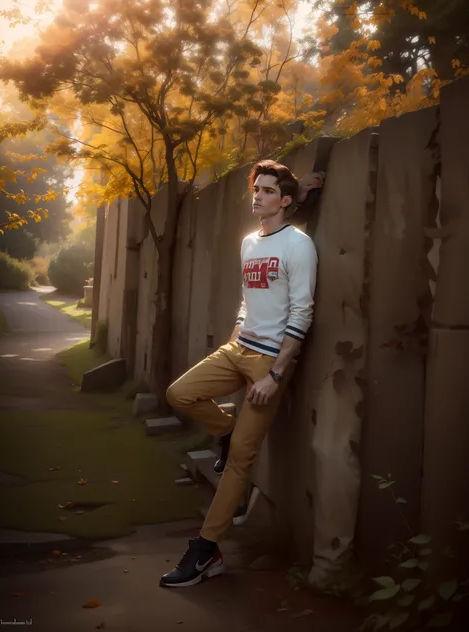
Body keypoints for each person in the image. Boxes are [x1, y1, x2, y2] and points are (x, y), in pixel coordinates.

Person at [160, 160, 325, 588]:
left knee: (240, 463)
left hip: (270, 361)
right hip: (238, 347)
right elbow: (247, 300)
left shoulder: (299, 245)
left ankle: (205, 550)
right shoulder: (249, 242)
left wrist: (275, 374)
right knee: (179, 393)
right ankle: (227, 429)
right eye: (257, 189)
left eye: (269, 191)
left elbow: (302, 312)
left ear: (286, 201)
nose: (258, 196)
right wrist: (233, 339)